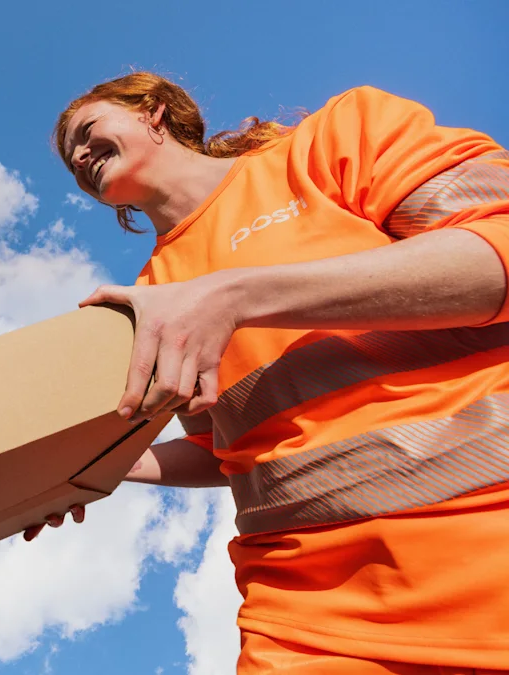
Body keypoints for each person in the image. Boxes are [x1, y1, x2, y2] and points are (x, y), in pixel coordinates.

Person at [48, 72, 509, 673]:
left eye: (87, 132)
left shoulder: (333, 142)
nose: (80, 156)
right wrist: (97, 469)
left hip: (483, 542)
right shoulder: (149, 302)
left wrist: (240, 294)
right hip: (302, 612)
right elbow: (224, 451)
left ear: (154, 112)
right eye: (70, 158)